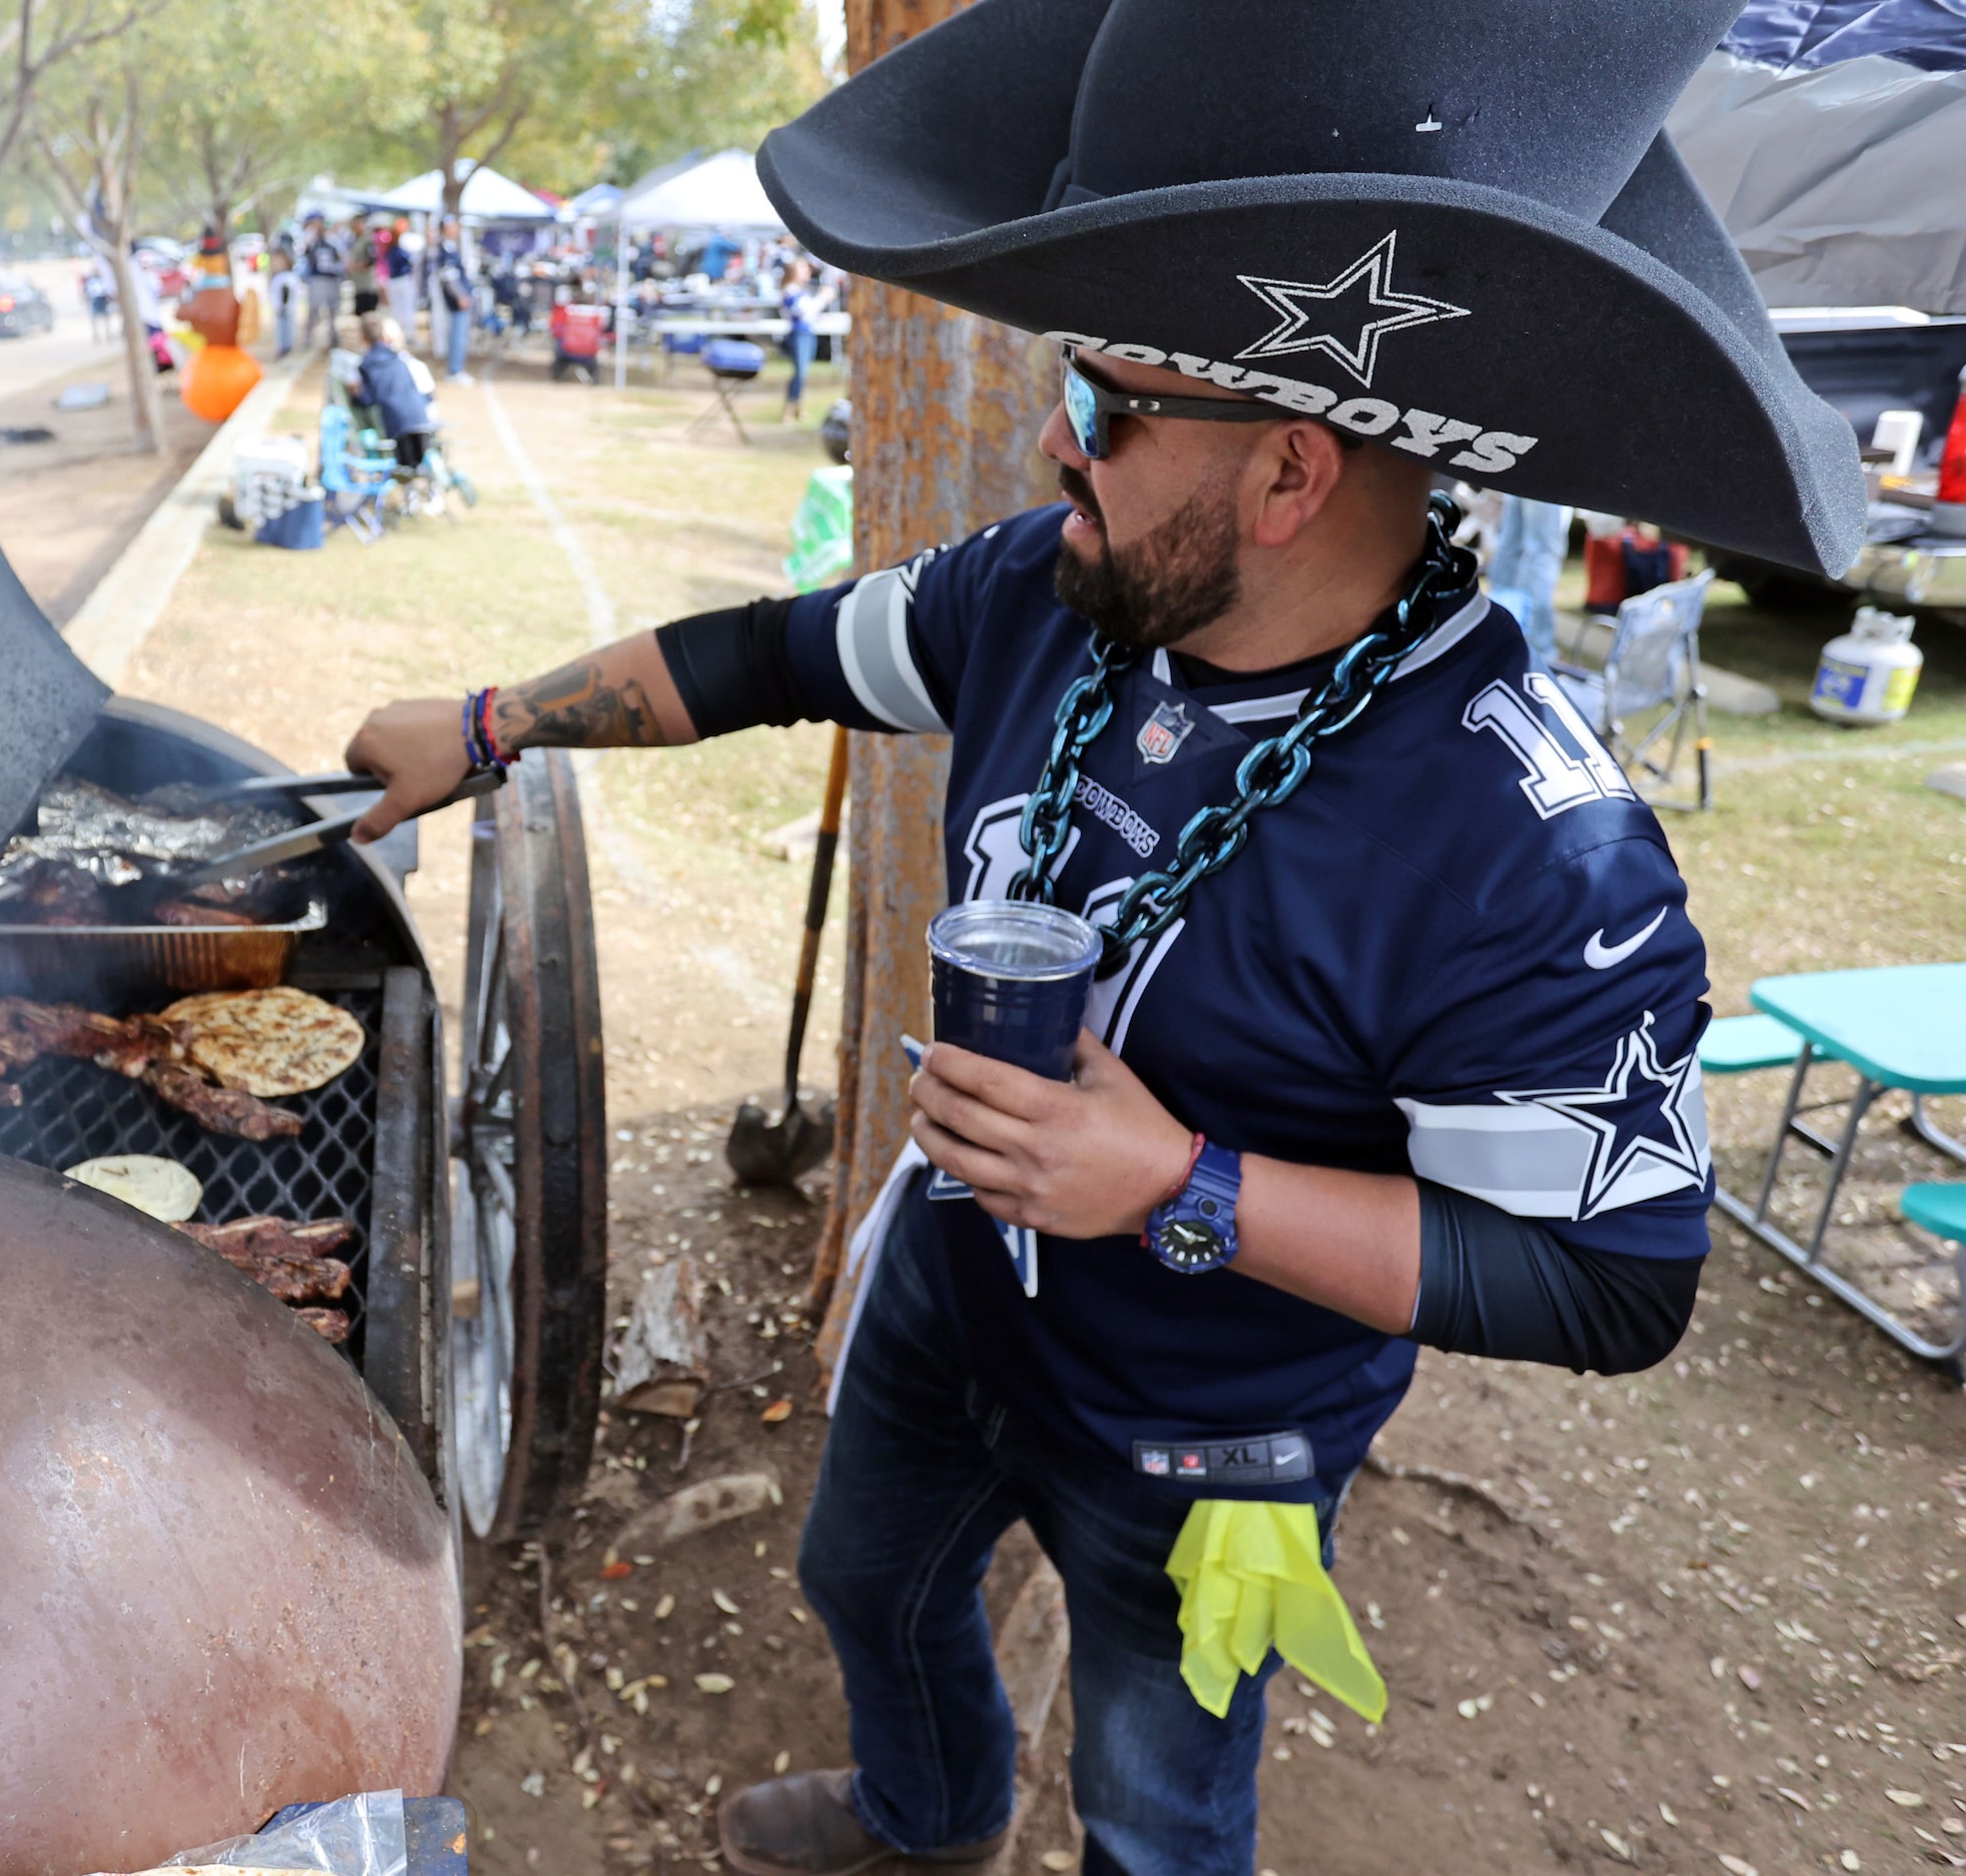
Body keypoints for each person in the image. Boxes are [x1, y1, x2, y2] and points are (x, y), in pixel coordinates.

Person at [342, 4, 1861, 1873]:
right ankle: (928, 1822)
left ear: (1291, 469)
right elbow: (763, 654)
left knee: (1158, 1803)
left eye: (1103, 409)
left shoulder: (1524, 849)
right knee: (862, 1578)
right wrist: (485, 724)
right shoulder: (1037, 598)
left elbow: (1608, 1283)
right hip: (947, 1297)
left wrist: (1174, 1183)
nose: (1053, 448)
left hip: (1214, 1439)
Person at [1489, 495, 1575, 666]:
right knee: (1542, 552)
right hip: (1551, 478)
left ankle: (1497, 630)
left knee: (1510, 546)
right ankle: (1539, 647)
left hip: (1520, 474)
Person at [354, 313, 435, 469]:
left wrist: (356, 394)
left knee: (406, 469)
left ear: (362, 338)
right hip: (420, 417)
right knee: (421, 465)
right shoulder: (399, 358)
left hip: (397, 424)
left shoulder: (366, 365)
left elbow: (368, 400)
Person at [779, 257, 829, 424]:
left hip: (807, 333)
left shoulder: (801, 291)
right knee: (799, 373)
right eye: (803, 269)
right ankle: (788, 410)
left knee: (803, 373)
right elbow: (804, 312)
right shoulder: (790, 291)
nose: (807, 273)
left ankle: (798, 409)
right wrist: (823, 298)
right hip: (798, 334)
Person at [429, 217, 474, 383]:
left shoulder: (451, 247)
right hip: (456, 301)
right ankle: (454, 370)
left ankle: (456, 368)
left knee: (460, 334)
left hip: (458, 299)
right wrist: (460, 295)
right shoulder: (445, 249)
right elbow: (449, 277)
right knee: (458, 335)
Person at [302, 215, 346, 351]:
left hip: (331, 279)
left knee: (332, 309)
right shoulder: (311, 240)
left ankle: (333, 336)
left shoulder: (334, 240)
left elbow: (341, 257)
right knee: (314, 308)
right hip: (317, 279)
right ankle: (308, 336)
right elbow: (305, 252)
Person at [383, 218, 420, 347]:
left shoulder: (391, 249)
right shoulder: (397, 250)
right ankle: (406, 335)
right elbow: (410, 262)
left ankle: (400, 335)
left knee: (399, 310)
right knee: (405, 309)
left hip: (393, 281)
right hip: (401, 281)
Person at [269, 241, 303, 360]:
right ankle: (283, 347)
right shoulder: (279, 276)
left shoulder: (287, 277)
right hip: (281, 308)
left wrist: (284, 305)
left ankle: (286, 347)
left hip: (286, 308)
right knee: (281, 329)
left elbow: (286, 292)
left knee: (287, 328)